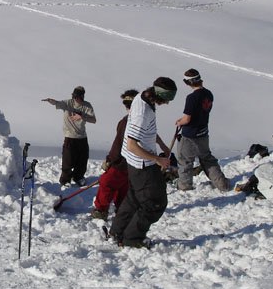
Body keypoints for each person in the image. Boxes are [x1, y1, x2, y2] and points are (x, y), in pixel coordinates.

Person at [109, 77, 176, 248]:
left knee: (135, 198)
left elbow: (147, 130)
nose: (167, 104)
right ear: (160, 95)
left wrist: (160, 144)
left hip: (135, 163)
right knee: (155, 203)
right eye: (167, 100)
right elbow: (132, 145)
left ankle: (117, 231)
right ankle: (132, 238)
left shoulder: (143, 96)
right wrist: (157, 159)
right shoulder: (143, 112)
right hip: (142, 164)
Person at [175, 69, 229, 192]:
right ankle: (222, 184)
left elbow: (187, 119)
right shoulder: (209, 94)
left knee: (185, 161)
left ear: (187, 83)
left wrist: (179, 122)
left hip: (190, 134)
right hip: (203, 132)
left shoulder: (191, 98)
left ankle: (184, 187)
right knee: (207, 158)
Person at [91, 89, 139, 221]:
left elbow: (118, 143)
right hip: (133, 162)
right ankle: (122, 208)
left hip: (121, 162)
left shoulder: (126, 122)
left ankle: (100, 210)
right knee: (123, 185)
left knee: (107, 183)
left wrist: (110, 160)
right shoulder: (140, 120)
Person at [42, 86, 96, 187]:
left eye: (78, 97)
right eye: (74, 96)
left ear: (82, 96)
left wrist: (82, 117)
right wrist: (51, 101)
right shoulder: (68, 103)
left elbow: (94, 120)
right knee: (68, 160)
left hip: (82, 137)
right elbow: (57, 103)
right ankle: (65, 181)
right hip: (70, 137)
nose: (75, 99)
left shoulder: (87, 106)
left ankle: (78, 177)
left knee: (82, 160)